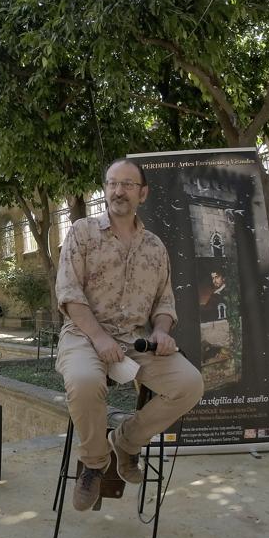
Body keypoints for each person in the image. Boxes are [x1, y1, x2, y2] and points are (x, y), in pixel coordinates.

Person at [55, 158, 205, 511]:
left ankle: (126, 441)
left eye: (127, 184)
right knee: (84, 380)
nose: (118, 191)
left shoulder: (155, 247)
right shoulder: (82, 231)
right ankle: (95, 462)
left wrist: (162, 331)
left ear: (143, 193)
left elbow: (164, 302)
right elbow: (69, 294)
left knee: (190, 384)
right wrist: (100, 338)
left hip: (137, 340)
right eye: (111, 183)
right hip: (83, 334)